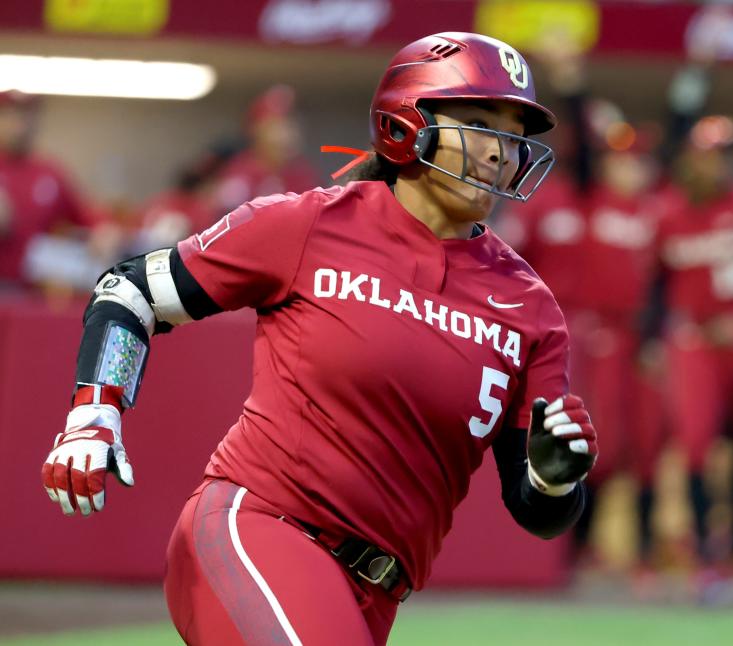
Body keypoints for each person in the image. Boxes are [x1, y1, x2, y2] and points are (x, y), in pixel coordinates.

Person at [39, 32, 598, 645]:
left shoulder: (531, 308)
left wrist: (553, 479)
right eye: (479, 121)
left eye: (514, 132)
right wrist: (95, 413)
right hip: (259, 529)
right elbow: (129, 293)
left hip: (375, 594)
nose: (502, 151)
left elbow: (537, 513)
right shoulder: (311, 223)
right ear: (406, 123)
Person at [639, 116, 733, 593]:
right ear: (690, 157)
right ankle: (707, 553)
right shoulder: (667, 210)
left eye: (725, 154)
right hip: (694, 339)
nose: (718, 164)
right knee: (697, 440)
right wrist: (650, 339)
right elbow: (656, 282)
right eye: (710, 153)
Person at [0, 90, 92, 288]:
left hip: (33, 290)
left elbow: (86, 216)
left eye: (26, 115)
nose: (19, 124)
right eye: (10, 115)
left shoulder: (49, 172)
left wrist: (103, 232)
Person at [214, 84, 319, 213]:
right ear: (255, 130)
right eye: (275, 126)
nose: (285, 135)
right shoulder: (240, 175)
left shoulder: (303, 175)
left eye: (290, 125)